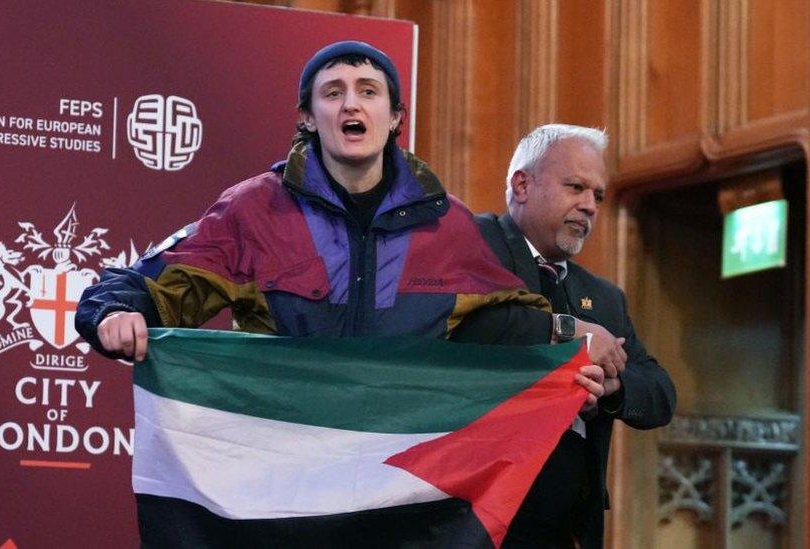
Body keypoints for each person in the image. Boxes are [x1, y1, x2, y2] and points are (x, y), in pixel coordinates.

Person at [75, 42, 613, 545]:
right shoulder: (253, 210)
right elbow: (155, 280)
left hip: (400, 501)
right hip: (279, 496)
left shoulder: (445, 223)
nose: (350, 103)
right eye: (333, 92)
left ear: (395, 117)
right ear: (308, 117)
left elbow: (502, 322)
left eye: (368, 91)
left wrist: (568, 339)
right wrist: (115, 310)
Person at [464, 124, 677, 548]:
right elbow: (474, 328)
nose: (590, 206)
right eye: (575, 187)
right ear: (521, 185)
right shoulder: (472, 246)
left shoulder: (605, 298)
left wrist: (614, 386)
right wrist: (567, 332)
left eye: (597, 195)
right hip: (471, 517)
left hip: (564, 526)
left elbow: (660, 392)